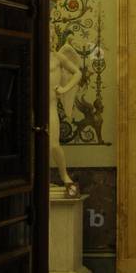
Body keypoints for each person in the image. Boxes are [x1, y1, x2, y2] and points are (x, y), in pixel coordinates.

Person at [49, 33, 83, 192]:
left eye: (51, 37)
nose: (50, 39)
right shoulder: (34, 55)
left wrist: (64, 89)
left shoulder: (58, 58)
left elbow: (77, 73)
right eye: (47, 37)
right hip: (34, 106)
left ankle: (65, 177)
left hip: (50, 106)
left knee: (54, 145)